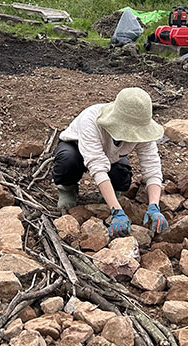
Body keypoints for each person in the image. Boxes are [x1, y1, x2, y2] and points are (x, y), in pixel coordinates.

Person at [53, 88, 169, 238]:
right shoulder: (91, 119)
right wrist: (117, 210)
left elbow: (151, 166)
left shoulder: (142, 126)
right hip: (77, 150)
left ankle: (109, 194)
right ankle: (67, 189)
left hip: (112, 157)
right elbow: (97, 166)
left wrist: (154, 206)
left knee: (122, 175)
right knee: (67, 161)